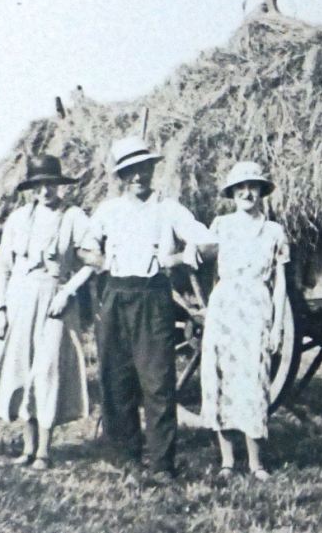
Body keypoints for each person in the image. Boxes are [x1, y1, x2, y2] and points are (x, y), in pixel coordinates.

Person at [79, 135, 213, 483]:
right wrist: (100, 260)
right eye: (130, 171)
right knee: (116, 378)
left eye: (143, 168)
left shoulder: (168, 208)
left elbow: (206, 239)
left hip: (153, 297)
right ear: (121, 176)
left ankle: (162, 465)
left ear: (152, 169)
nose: (138, 176)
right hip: (116, 294)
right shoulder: (108, 210)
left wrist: (185, 254)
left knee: (157, 382)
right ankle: (126, 458)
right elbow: (85, 248)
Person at [0, 155, 93, 470]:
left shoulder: (73, 217)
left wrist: (68, 292)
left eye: (51, 184)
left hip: (54, 300)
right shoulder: (18, 219)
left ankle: (44, 451)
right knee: (19, 368)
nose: (45, 191)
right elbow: (3, 268)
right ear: (31, 187)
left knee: (47, 369)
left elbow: (93, 261)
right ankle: (27, 447)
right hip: (18, 298)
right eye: (39, 185)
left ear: (60, 186)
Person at [200, 161, 289, 481]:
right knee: (220, 379)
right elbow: (200, 254)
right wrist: (185, 251)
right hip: (224, 308)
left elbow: (280, 283)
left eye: (253, 187)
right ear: (232, 193)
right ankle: (227, 461)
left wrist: (277, 324)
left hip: (256, 308)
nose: (247, 193)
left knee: (254, 380)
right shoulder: (221, 226)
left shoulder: (274, 231)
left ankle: (256, 463)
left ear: (262, 192)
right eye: (240, 188)